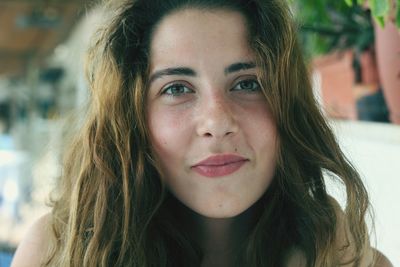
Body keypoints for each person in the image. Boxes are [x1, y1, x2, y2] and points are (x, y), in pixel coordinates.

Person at [11, 0, 394, 266]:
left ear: (286, 104)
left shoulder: (352, 260)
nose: (217, 121)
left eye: (247, 83)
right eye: (176, 89)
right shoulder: (59, 254)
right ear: (133, 118)